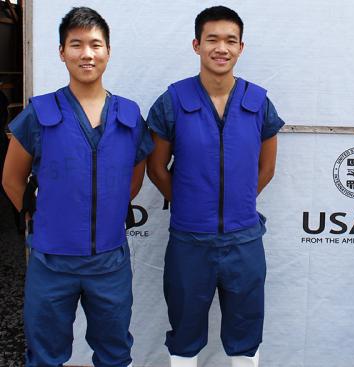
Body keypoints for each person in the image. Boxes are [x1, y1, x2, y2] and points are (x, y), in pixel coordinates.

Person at [1, 7, 153, 366]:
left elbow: (133, 179)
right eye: (76, 44)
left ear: (108, 51)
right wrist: (43, 218)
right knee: (44, 355)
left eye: (95, 45)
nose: (87, 53)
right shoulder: (39, 113)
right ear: (62, 52)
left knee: (114, 353)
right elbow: (11, 178)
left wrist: (107, 211)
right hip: (52, 260)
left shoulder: (129, 116)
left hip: (109, 261)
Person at [146, 5, 284, 367]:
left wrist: (235, 204)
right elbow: (156, 167)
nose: (221, 48)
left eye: (230, 40)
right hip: (190, 241)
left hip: (244, 240)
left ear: (241, 47)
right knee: (185, 332)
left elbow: (267, 167)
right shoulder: (172, 101)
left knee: (246, 334)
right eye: (212, 39)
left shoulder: (258, 102)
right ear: (196, 45)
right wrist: (190, 203)